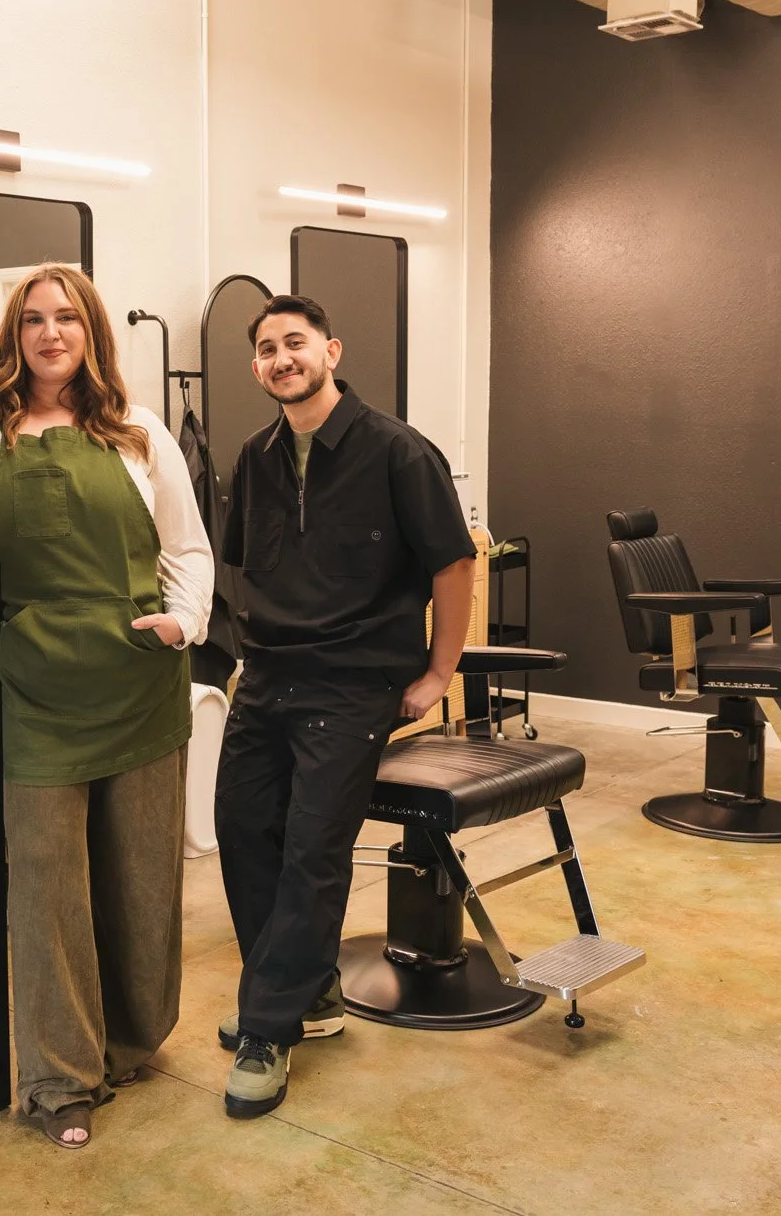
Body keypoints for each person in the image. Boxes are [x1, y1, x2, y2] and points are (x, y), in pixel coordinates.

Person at [0, 264, 213, 1150]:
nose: (49, 333)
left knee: (140, 876)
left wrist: (184, 621)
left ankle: (132, 1039)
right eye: (33, 319)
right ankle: (59, 1079)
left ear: (91, 330)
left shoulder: (141, 431)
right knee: (45, 883)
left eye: (66, 317)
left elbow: (188, 549)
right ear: (13, 334)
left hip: (139, 675)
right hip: (37, 686)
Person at [213, 294, 477, 1119]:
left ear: (331, 350)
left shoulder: (398, 451)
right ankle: (307, 991)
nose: (281, 358)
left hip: (354, 682)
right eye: (267, 348)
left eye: (295, 342)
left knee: (310, 847)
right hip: (267, 678)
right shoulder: (254, 457)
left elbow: (454, 564)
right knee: (243, 829)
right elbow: (244, 566)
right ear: (256, 367)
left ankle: (268, 1027)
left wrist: (439, 671)